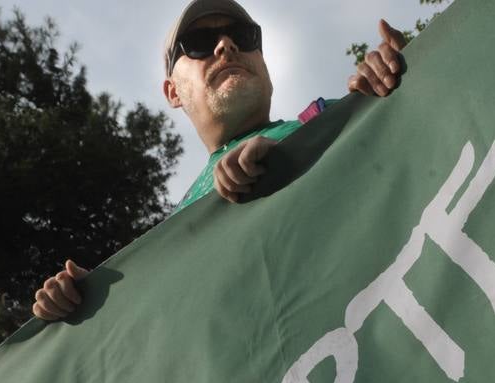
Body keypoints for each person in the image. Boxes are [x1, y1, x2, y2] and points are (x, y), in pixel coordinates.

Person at [32, 0, 407, 321]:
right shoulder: (171, 237)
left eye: (243, 38)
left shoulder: (333, 118)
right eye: (197, 44)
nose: (226, 46)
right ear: (172, 91)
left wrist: (397, 86)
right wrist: (92, 302)